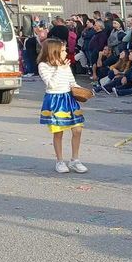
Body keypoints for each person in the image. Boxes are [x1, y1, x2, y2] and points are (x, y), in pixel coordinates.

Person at [38, 38, 88, 174]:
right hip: (55, 100)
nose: (66, 53)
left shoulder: (65, 65)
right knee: (58, 132)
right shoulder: (43, 65)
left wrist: (83, 91)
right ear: (54, 52)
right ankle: (60, 161)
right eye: (63, 50)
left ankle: (75, 160)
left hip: (69, 98)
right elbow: (51, 84)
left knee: (77, 129)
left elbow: (72, 82)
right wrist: (60, 68)